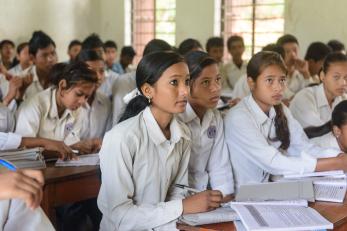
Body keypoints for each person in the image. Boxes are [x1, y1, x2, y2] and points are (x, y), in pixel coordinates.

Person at [98, 51, 223, 230]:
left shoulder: (183, 134)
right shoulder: (122, 138)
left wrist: (176, 221)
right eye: (174, 82)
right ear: (148, 90)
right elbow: (120, 216)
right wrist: (182, 207)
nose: (185, 91)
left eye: (187, 81)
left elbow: (176, 190)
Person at [225, 51, 347, 189]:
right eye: (269, 80)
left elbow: (303, 147)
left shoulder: (280, 108)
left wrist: (339, 157)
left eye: (282, 80)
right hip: (246, 193)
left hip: (275, 187)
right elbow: (272, 162)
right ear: (251, 82)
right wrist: (331, 164)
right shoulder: (239, 117)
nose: (278, 87)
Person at [178, 51, 234, 200]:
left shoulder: (214, 117)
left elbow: (219, 165)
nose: (216, 88)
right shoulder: (176, 119)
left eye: (218, 79)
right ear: (187, 86)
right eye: (206, 82)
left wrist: (223, 195)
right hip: (180, 200)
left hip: (206, 195)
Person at [15, 61, 101, 155]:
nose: (82, 101)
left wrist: (80, 146)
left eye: (86, 97)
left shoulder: (78, 110)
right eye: (79, 94)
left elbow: (70, 143)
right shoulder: (34, 106)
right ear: (62, 86)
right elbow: (23, 146)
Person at [112, 39, 173, 125]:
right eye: (165, 63)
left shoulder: (166, 84)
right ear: (148, 61)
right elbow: (118, 119)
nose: (169, 67)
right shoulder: (124, 82)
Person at [290, 52, 347, 129]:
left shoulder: (343, 98)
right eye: (336, 77)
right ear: (322, 76)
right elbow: (320, 133)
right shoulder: (304, 98)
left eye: (346, 78)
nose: (343, 83)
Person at [77, 50, 112, 139]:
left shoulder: (105, 102)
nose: (98, 77)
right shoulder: (71, 103)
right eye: (91, 71)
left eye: (101, 71)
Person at [25, 31, 58, 99]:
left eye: (53, 53)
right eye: (44, 55)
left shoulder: (63, 77)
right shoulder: (23, 79)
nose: (50, 59)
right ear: (32, 58)